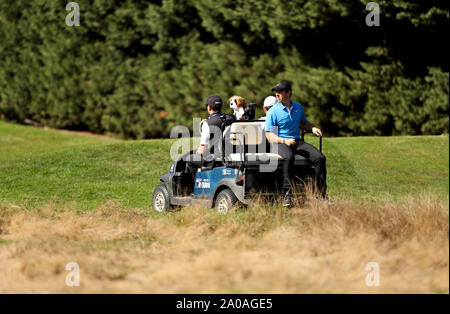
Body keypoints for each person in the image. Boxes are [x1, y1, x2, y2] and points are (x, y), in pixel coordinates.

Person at [265, 81, 328, 207]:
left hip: (296, 141)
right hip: (279, 143)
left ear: (288, 93)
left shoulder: (298, 107)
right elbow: (269, 136)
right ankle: (287, 195)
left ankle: (320, 195)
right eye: (276, 92)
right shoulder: (273, 111)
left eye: (280, 92)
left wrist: (312, 128)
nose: (277, 94)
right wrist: (284, 141)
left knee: (320, 158)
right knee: (289, 157)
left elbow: (303, 123)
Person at [184, 94, 235, 181]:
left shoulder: (207, 123)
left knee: (189, 159)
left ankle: (193, 188)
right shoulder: (232, 118)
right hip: (231, 154)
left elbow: (202, 150)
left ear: (209, 108)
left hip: (215, 158)